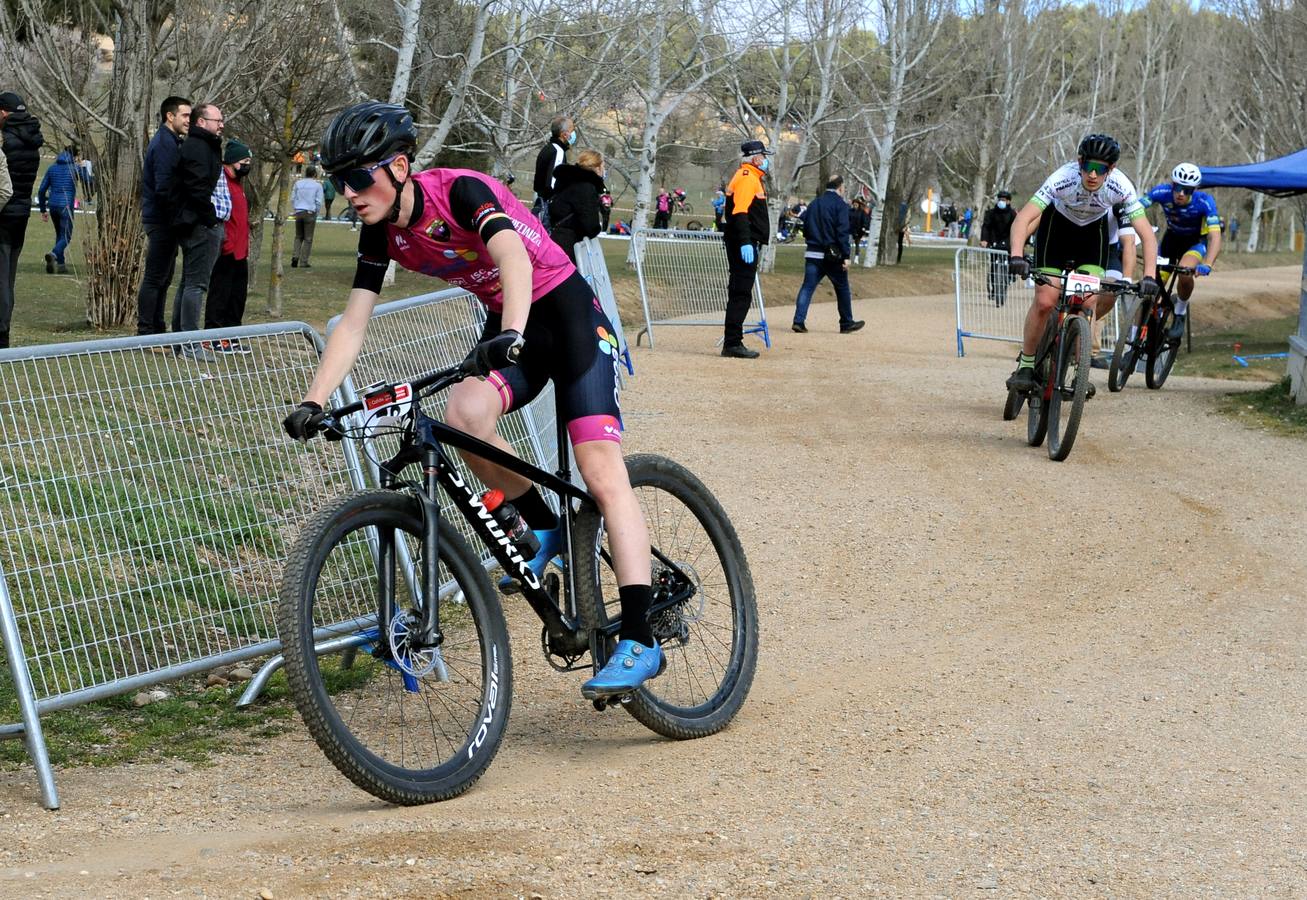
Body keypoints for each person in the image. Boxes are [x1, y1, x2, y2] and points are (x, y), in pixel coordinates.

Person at [282, 101, 665, 698]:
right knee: (463, 414)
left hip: (565, 317)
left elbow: (511, 255)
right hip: (513, 327)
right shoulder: (379, 231)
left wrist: (509, 331)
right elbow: (354, 322)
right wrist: (313, 399)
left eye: (359, 177)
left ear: (401, 166)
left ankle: (640, 636)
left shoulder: (458, 191)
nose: (349, 192)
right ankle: (547, 530)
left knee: (599, 469)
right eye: (339, 181)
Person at [1005, 133, 1160, 396]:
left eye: (1101, 170)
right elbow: (1024, 218)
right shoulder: (1062, 178)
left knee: (1087, 301)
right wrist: (1016, 255)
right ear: (1079, 162)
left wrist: (1149, 276)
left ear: (1111, 170)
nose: (1093, 175)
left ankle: (1078, 369)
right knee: (1046, 300)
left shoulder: (1121, 186)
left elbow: (1145, 234)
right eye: (1088, 166)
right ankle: (1027, 364)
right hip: (1057, 232)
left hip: (1091, 237)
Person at [169, 101, 225, 362]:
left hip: (192, 221)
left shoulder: (201, 145)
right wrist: (210, 219)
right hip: (198, 224)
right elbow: (197, 188)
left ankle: (179, 340)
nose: (221, 125)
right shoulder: (199, 147)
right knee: (196, 284)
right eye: (217, 121)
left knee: (188, 282)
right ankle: (189, 343)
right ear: (201, 122)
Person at [1140, 162, 1222, 340]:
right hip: (1170, 241)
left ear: (1194, 189)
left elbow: (1215, 236)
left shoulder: (1204, 202)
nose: (1181, 194)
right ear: (1172, 185)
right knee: (1151, 289)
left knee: (1185, 273)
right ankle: (1134, 341)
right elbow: (1136, 208)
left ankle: (1180, 311)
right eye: (1178, 188)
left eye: (1187, 190)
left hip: (1194, 243)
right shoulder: (1161, 192)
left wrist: (1207, 263)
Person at [136, 95, 191, 339]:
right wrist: (176, 216)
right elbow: (164, 186)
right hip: (161, 220)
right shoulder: (165, 144)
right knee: (155, 277)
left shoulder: (172, 141)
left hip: (163, 219)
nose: (189, 120)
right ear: (170, 116)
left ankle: (157, 329)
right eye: (185, 115)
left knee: (164, 277)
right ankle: (146, 331)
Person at [791, 176, 864, 335]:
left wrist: (811, 240)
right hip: (833, 255)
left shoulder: (815, 203)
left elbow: (806, 224)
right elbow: (842, 232)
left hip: (813, 251)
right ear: (840, 187)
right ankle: (846, 322)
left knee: (807, 287)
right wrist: (846, 255)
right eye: (843, 187)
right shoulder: (841, 205)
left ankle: (798, 320)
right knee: (842, 287)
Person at [0, 91, 44, 349]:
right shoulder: (31, 139)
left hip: (4, 213)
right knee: (9, 278)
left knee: (1, 280)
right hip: (22, 213)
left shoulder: (6, 140)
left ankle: (1, 334)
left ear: (4, 112)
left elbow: (4, 188)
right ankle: (5, 328)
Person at [721, 139, 772, 359]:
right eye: (763, 156)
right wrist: (745, 242)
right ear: (756, 158)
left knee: (740, 292)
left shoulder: (751, 177)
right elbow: (740, 212)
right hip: (743, 242)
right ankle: (733, 342)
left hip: (745, 241)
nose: (766, 161)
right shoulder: (747, 178)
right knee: (740, 292)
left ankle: (733, 341)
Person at [205, 139, 253, 353]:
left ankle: (232, 336)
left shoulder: (239, 185)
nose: (247, 165)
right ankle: (213, 336)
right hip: (226, 248)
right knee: (220, 294)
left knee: (237, 296)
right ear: (232, 161)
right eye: (244, 161)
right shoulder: (221, 180)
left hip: (241, 250)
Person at [546, 149, 605, 263]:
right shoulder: (586, 188)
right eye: (603, 166)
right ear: (597, 167)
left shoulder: (566, 182)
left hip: (556, 237)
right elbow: (590, 224)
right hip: (570, 244)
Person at [37, 146, 78, 275]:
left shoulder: (52, 168)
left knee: (60, 234)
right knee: (66, 236)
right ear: (75, 156)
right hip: (66, 206)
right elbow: (88, 180)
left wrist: (43, 209)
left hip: (53, 206)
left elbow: (41, 190)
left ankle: (61, 265)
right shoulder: (74, 168)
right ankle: (53, 254)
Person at [532, 115, 573, 227]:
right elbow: (553, 182)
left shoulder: (548, 148)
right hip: (547, 205)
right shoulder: (557, 151)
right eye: (571, 130)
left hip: (540, 200)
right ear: (564, 134)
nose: (573, 134)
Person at [979, 189, 1016, 307]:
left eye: (1003, 200)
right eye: (999, 199)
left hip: (1008, 242)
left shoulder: (1013, 214)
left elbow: (1018, 229)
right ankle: (994, 287)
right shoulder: (991, 213)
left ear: (1009, 201)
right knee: (994, 266)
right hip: (994, 241)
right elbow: (986, 227)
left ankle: (1010, 275)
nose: (1001, 202)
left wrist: (1019, 242)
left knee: (1011, 262)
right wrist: (984, 240)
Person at [291, 165, 324, 268]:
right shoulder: (317, 185)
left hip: (299, 211)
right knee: (308, 238)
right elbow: (318, 201)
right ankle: (303, 261)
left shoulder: (298, 183)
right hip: (310, 212)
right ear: (315, 174)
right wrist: (316, 212)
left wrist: (296, 208)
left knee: (298, 236)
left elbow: (293, 198)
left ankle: (295, 257)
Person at [848, 197, 870, 265]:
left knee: (857, 244)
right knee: (849, 244)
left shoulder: (862, 212)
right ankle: (849, 258)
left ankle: (856, 258)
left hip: (858, 231)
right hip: (850, 230)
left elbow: (865, 220)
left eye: (856, 205)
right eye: (854, 205)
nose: (855, 206)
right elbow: (847, 220)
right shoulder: (849, 211)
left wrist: (864, 227)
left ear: (858, 205)